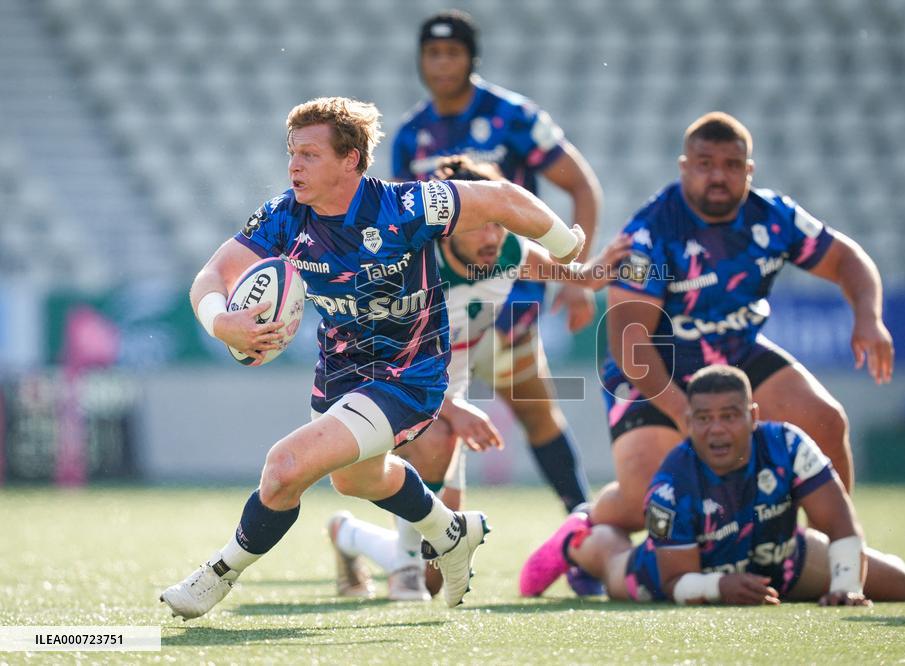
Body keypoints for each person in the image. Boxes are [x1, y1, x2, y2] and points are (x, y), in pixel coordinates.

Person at [159, 96, 586, 618]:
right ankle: (450, 532)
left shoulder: (406, 207)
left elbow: (500, 198)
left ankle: (218, 574)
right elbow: (212, 274)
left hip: (409, 376)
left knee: (285, 467)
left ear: (351, 160)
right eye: (292, 152)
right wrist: (220, 320)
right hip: (341, 372)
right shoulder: (284, 215)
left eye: (310, 154)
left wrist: (566, 244)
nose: (294, 165)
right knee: (355, 480)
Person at [327, 157, 630, 601]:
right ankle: (405, 567)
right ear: (447, 226)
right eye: (480, 225)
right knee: (437, 438)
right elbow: (382, 363)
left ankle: (348, 534)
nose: (492, 236)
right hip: (390, 393)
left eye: (499, 224)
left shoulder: (508, 252)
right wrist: (454, 408)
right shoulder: (411, 265)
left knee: (436, 575)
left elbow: (575, 277)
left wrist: (609, 267)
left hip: (445, 399)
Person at [591, 111, 894, 535]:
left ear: (749, 171)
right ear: (684, 168)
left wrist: (868, 316)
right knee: (648, 500)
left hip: (735, 355)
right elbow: (629, 344)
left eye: (732, 165)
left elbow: (847, 259)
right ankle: (584, 526)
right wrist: (686, 413)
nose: (718, 176)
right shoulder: (650, 232)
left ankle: (833, 550)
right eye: (705, 164)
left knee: (826, 421)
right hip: (655, 372)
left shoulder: (773, 216)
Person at [393, 10, 603, 519]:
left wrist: (576, 277)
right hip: (443, 315)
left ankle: (582, 521)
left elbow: (581, 186)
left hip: (510, 299)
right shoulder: (409, 136)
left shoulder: (515, 117)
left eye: (453, 52)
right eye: (432, 53)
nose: (442, 64)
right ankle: (410, 545)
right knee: (431, 436)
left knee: (538, 414)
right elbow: (405, 231)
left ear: (472, 58)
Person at [520, 365, 905, 605]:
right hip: (677, 569)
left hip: (778, 560)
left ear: (753, 416)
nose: (717, 430)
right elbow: (676, 581)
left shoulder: (789, 445)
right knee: (615, 569)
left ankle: (879, 567)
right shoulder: (671, 482)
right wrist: (717, 587)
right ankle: (577, 539)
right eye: (704, 419)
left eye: (729, 416)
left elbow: (839, 522)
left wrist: (847, 584)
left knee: (902, 588)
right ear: (689, 423)